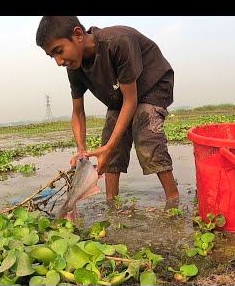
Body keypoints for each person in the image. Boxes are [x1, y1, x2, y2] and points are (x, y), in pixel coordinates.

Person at [36, 16, 179, 210]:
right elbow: (78, 113)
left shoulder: (117, 42)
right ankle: (112, 204)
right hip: (120, 94)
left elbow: (131, 100)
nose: (58, 62)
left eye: (59, 51)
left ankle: (173, 200)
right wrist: (81, 151)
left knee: (145, 131)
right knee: (109, 138)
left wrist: (110, 147)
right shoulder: (74, 66)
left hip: (152, 84)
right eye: (52, 56)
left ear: (78, 34)